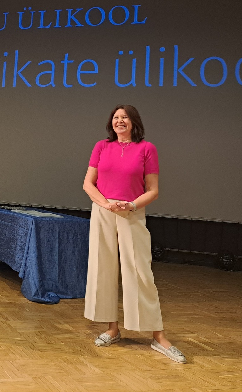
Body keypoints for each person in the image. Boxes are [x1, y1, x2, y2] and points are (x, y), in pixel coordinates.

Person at [82, 104, 186, 364]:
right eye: (116, 117)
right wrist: (105, 204)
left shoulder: (147, 149)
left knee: (140, 271)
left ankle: (158, 336)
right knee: (103, 268)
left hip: (131, 211)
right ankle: (112, 329)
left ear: (134, 122)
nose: (120, 121)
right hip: (103, 211)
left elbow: (153, 190)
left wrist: (129, 205)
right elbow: (88, 183)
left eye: (125, 117)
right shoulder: (101, 147)